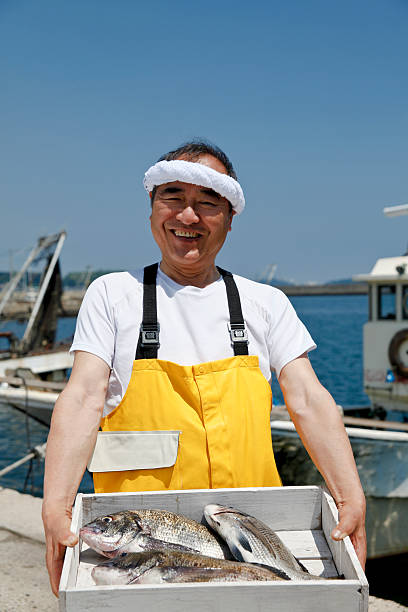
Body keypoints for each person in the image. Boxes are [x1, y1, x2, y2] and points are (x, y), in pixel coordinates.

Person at [42, 140, 366, 596]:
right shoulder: (112, 295)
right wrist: (56, 504)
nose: (187, 216)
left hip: (252, 547)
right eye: (172, 196)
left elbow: (309, 399)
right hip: (141, 562)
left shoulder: (266, 304)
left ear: (230, 218)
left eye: (207, 202)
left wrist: (351, 498)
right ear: (152, 207)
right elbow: (81, 398)